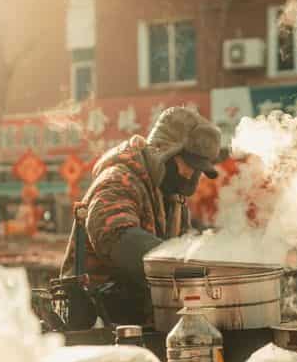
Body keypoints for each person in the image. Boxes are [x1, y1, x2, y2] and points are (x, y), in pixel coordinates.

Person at [60, 106, 223, 324]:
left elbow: (186, 241)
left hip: (140, 317)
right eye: (188, 164)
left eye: (197, 169)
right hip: (97, 321)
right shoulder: (118, 179)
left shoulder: (173, 197)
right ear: (165, 151)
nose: (190, 174)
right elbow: (117, 235)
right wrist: (183, 264)